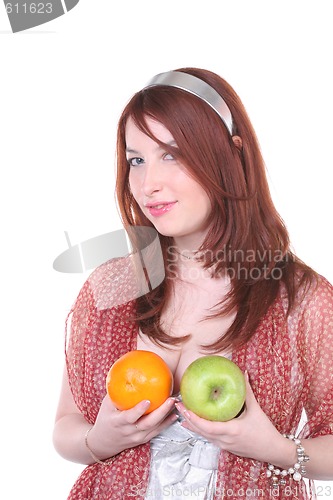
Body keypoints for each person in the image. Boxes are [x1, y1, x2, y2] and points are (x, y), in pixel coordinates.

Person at [53, 68, 333, 500]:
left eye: (172, 154)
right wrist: (100, 442)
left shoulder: (300, 298)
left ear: (230, 156)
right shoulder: (112, 286)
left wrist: (276, 449)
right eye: (136, 160)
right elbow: (65, 428)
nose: (149, 184)